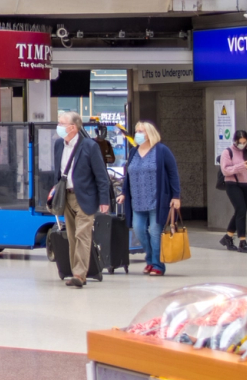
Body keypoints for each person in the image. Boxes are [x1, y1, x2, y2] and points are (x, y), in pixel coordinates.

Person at [48, 111, 111, 288]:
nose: (58, 127)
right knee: (71, 236)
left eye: (62, 124)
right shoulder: (59, 145)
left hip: (85, 197)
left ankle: (79, 274)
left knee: (82, 234)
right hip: (66, 196)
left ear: (73, 127)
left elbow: (101, 176)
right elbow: (58, 172)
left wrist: (104, 200)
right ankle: (75, 270)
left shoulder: (90, 146)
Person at [118, 121, 181, 276]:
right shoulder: (133, 152)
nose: (138, 134)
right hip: (137, 201)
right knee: (139, 230)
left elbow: (173, 174)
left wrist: (176, 196)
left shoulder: (161, 150)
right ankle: (151, 260)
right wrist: (124, 192)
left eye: (141, 131)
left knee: (155, 233)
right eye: (137, 131)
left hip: (157, 201)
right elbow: (128, 175)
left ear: (150, 133)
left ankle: (157, 265)